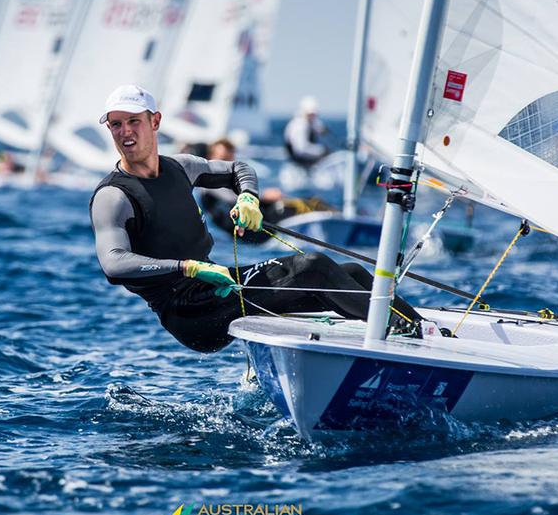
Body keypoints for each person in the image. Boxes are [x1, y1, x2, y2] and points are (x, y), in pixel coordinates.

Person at [89, 84, 422, 353]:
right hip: (187, 311)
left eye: (133, 121)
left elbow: (238, 168)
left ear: (155, 122)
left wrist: (248, 197)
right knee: (314, 267)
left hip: (216, 286)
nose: (124, 131)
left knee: (348, 272)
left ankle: (420, 330)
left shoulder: (181, 167)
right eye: (116, 124)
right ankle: (394, 341)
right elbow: (114, 264)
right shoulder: (113, 196)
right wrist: (187, 267)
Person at [199, 138, 331, 244]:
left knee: (308, 201)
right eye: (223, 159)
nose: (227, 164)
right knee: (287, 206)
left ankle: (330, 215)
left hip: (256, 226)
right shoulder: (209, 182)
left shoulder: (229, 180)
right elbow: (232, 199)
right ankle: (330, 221)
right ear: (211, 157)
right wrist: (265, 196)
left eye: (230, 159)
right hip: (252, 233)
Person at [283, 95, 328, 168]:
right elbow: (301, 149)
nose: (313, 117)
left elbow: (318, 127)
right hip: (299, 160)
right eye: (311, 114)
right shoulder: (300, 125)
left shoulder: (308, 122)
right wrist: (321, 151)